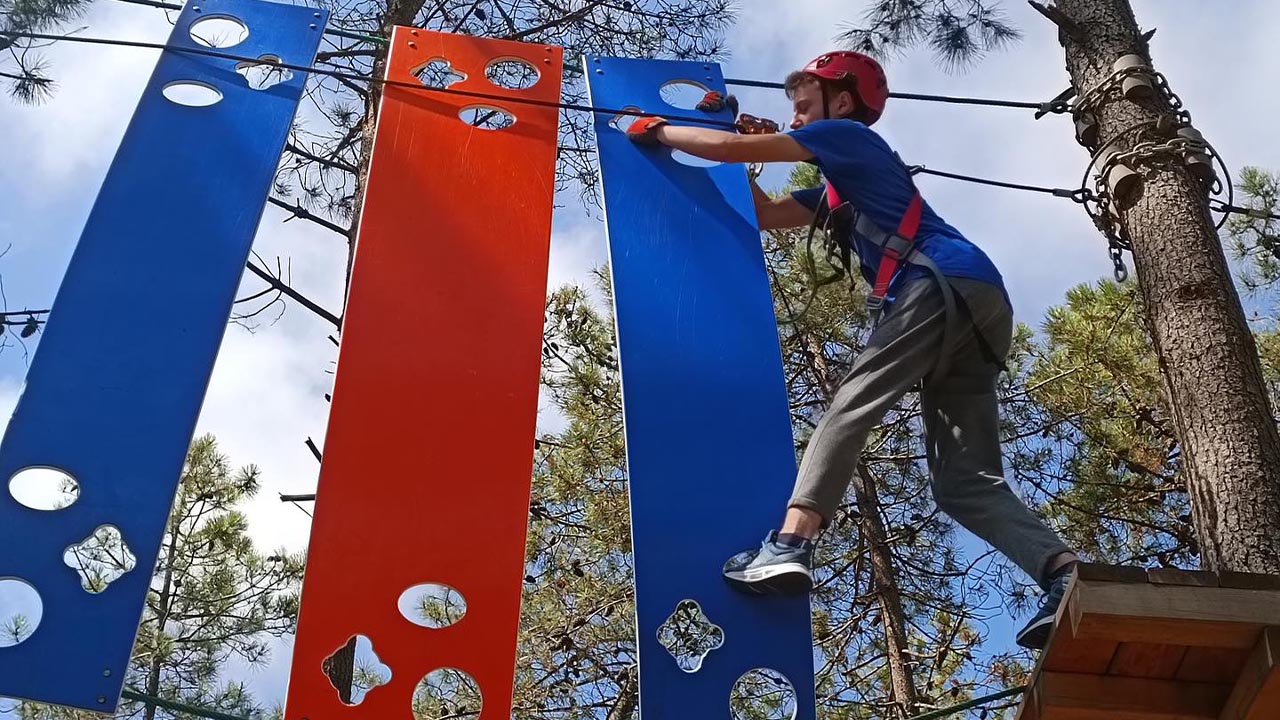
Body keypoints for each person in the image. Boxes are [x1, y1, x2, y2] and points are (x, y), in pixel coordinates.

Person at [626, 51, 1078, 650]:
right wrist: (752, 158)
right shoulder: (836, 189)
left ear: (842, 101)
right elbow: (761, 215)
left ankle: (791, 542)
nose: (795, 109)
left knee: (851, 404)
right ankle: (1062, 572)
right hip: (975, 305)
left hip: (937, 282)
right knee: (963, 481)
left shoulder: (847, 136)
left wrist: (655, 128)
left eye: (805, 97)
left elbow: (722, 150)